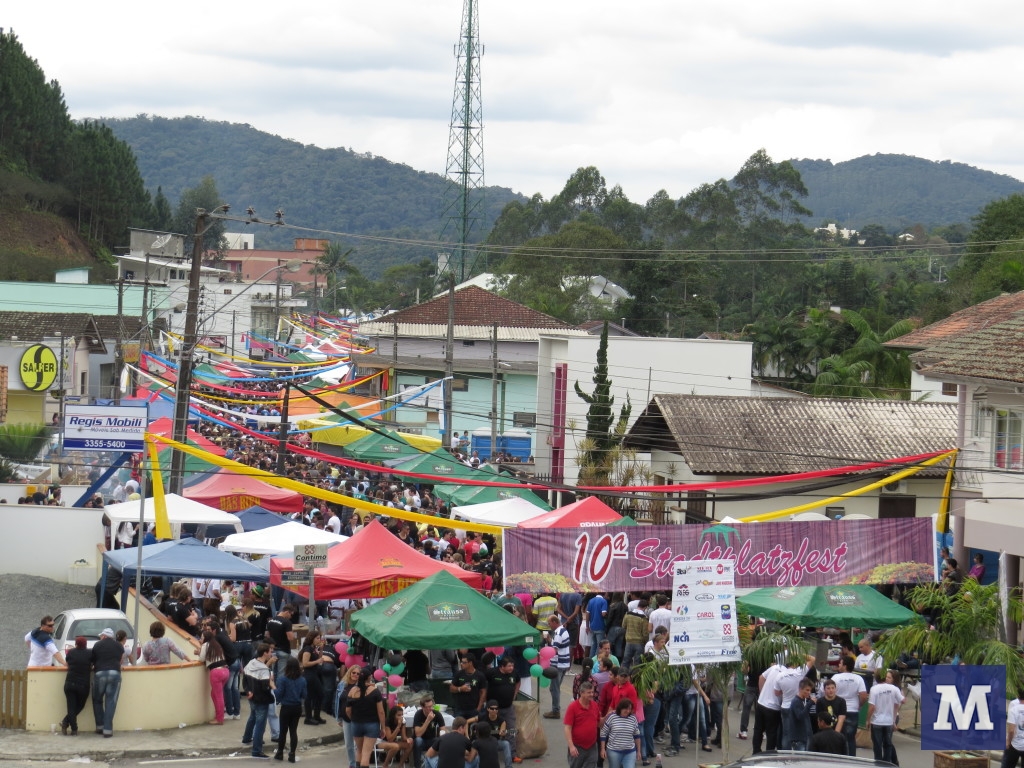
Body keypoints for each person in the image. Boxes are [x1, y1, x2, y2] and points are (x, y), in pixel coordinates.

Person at [242, 643, 277, 759]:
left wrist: (248, 691)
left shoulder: (251, 663)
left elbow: (244, 680)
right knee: (260, 725)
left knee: (253, 717)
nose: (271, 654)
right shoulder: (264, 669)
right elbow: (265, 687)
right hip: (261, 700)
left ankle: (247, 738)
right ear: (265, 653)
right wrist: (272, 687)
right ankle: (256, 750)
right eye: (270, 651)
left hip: (252, 697)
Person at [346, 668, 387, 768]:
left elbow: (347, 710)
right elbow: (381, 712)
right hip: (371, 724)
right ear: (369, 677)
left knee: (359, 750)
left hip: (356, 724)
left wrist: (353, 718)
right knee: (366, 753)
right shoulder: (375, 691)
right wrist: (383, 727)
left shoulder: (352, 691)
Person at [485, 657, 522, 764]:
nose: (512, 668)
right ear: (502, 666)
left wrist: (515, 693)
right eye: (509, 666)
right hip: (493, 710)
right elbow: (482, 683)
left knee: (511, 731)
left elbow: (518, 682)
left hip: (508, 708)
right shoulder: (492, 673)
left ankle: (513, 755)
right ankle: (488, 753)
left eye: (512, 665)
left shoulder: (514, 673)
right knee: (490, 730)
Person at [91, 627, 124, 738]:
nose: (100, 637)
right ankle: (107, 730)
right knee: (111, 702)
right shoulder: (119, 645)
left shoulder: (97, 645)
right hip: (115, 673)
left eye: (101, 636)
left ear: (104, 636)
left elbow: (93, 661)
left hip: (99, 673)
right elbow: (120, 660)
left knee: (97, 700)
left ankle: (99, 726)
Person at [832, 654, 867, 756]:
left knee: (837, 736)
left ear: (845, 666)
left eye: (840, 663)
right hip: (853, 710)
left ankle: (838, 757)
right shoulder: (858, 678)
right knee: (851, 738)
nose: (839, 665)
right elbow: (863, 696)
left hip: (838, 710)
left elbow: (827, 691)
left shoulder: (836, 677)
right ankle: (851, 759)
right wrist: (859, 705)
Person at [867, 669, 904, 764]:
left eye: (889, 677)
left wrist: (868, 719)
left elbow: (872, 707)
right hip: (888, 721)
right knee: (888, 744)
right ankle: (887, 763)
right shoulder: (894, 689)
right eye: (887, 677)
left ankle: (878, 763)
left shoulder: (874, 689)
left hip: (877, 721)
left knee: (877, 745)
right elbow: (902, 701)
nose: (888, 678)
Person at [275, 656, 307, 763]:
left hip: (286, 707)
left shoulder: (282, 679)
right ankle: (292, 754)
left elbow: (279, 694)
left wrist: (273, 687)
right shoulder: (302, 680)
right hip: (297, 707)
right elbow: (304, 695)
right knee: (293, 731)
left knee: (283, 731)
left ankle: (280, 752)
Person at [564, 681, 601, 768]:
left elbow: (599, 724)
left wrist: (608, 716)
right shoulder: (572, 707)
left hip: (592, 747)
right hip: (577, 747)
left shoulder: (595, 705)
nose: (592, 694)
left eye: (592, 692)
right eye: (589, 692)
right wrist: (571, 746)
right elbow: (567, 728)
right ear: (581, 693)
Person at [59, 636, 91, 736]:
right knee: (80, 706)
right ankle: (66, 722)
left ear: (76, 644)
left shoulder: (71, 652)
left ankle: (73, 729)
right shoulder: (90, 653)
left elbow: (67, 662)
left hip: (70, 683)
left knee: (71, 707)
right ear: (86, 644)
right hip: (83, 684)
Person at [198, 628, 231, 725]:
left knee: (218, 696)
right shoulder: (216, 645)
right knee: (214, 694)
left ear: (205, 638)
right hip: (225, 671)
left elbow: (201, 659)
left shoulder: (205, 645)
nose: (200, 639)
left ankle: (219, 719)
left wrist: (199, 651)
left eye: (202, 638)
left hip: (216, 672)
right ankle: (219, 715)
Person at [600, 698, 642, 768]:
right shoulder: (612, 717)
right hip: (614, 751)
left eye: (629, 709)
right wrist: (603, 749)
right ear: (620, 708)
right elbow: (603, 732)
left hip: (630, 751)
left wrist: (639, 751)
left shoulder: (633, 718)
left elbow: (637, 735)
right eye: (626, 709)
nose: (628, 711)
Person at [544, 616, 571, 719]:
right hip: (564, 663)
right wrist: (550, 640)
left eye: (549, 623)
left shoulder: (559, 633)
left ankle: (555, 710)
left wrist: (545, 653)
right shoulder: (563, 631)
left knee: (554, 688)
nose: (549, 625)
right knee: (555, 687)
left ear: (555, 622)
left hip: (558, 664)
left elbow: (554, 650)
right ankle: (555, 709)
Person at [298, 630, 327, 725]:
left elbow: (319, 658)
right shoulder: (308, 649)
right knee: (310, 696)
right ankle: (308, 717)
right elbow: (305, 663)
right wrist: (317, 662)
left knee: (319, 694)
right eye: (317, 638)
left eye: (320, 638)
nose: (319, 640)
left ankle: (316, 716)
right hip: (309, 675)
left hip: (314, 674)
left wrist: (321, 649)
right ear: (312, 638)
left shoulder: (313, 648)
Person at [337, 664, 363, 768]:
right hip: (345, 719)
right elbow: (338, 701)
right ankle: (352, 764)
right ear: (349, 672)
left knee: (357, 745)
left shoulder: (360, 686)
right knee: (348, 745)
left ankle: (358, 764)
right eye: (354, 672)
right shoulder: (342, 685)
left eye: (358, 674)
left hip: (357, 719)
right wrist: (339, 717)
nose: (355, 675)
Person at [451, 653, 488, 719]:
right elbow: (451, 688)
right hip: (460, 708)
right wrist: (460, 689)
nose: (461, 664)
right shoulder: (459, 674)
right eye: (461, 662)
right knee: (458, 724)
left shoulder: (480, 675)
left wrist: (479, 708)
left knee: (474, 725)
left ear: (470, 663)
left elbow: (483, 692)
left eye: (464, 662)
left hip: (474, 708)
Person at [413, 695, 444, 768]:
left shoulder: (437, 714)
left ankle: (440, 765)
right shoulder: (418, 714)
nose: (431, 708)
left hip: (432, 740)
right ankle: (417, 766)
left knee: (441, 741)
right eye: (428, 707)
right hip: (422, 740)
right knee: (418, 740)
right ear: (422, 707)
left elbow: (443, 729)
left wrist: (442, 736)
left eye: (432, 706)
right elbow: (418, 734)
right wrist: (428, 720)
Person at [787, 678, 814, 751]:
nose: (809, 692)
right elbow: (800, 716)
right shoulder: (796, 701)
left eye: (810, 690)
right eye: (807, 690)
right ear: (800, 689)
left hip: (803, 737)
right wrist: (810, 704)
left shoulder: (802, 701)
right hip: (798, 738)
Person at [1005, 689, 1024, 768]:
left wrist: (1008, 742)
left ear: (1018, 695)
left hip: (1014, 744)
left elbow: (1011, 730)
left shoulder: (1014, 710)